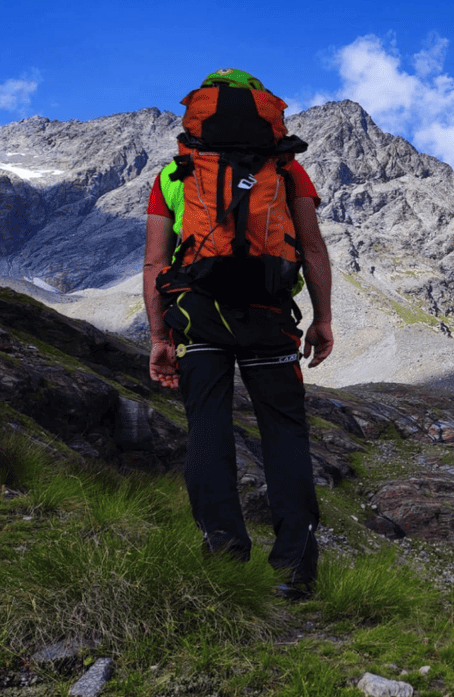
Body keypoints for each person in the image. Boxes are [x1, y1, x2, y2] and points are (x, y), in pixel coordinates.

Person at [142, 68, 334, 599]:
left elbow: (155, 262)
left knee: (208, 429)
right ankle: (295, 569)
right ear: (266, 113)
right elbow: (313, 249)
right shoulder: (290, 172)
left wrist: (161, 335)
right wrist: (323, 319)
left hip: (199, 314)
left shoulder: (174, 174)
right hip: (268, 314)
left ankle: (224, 555)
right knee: (285, 436)